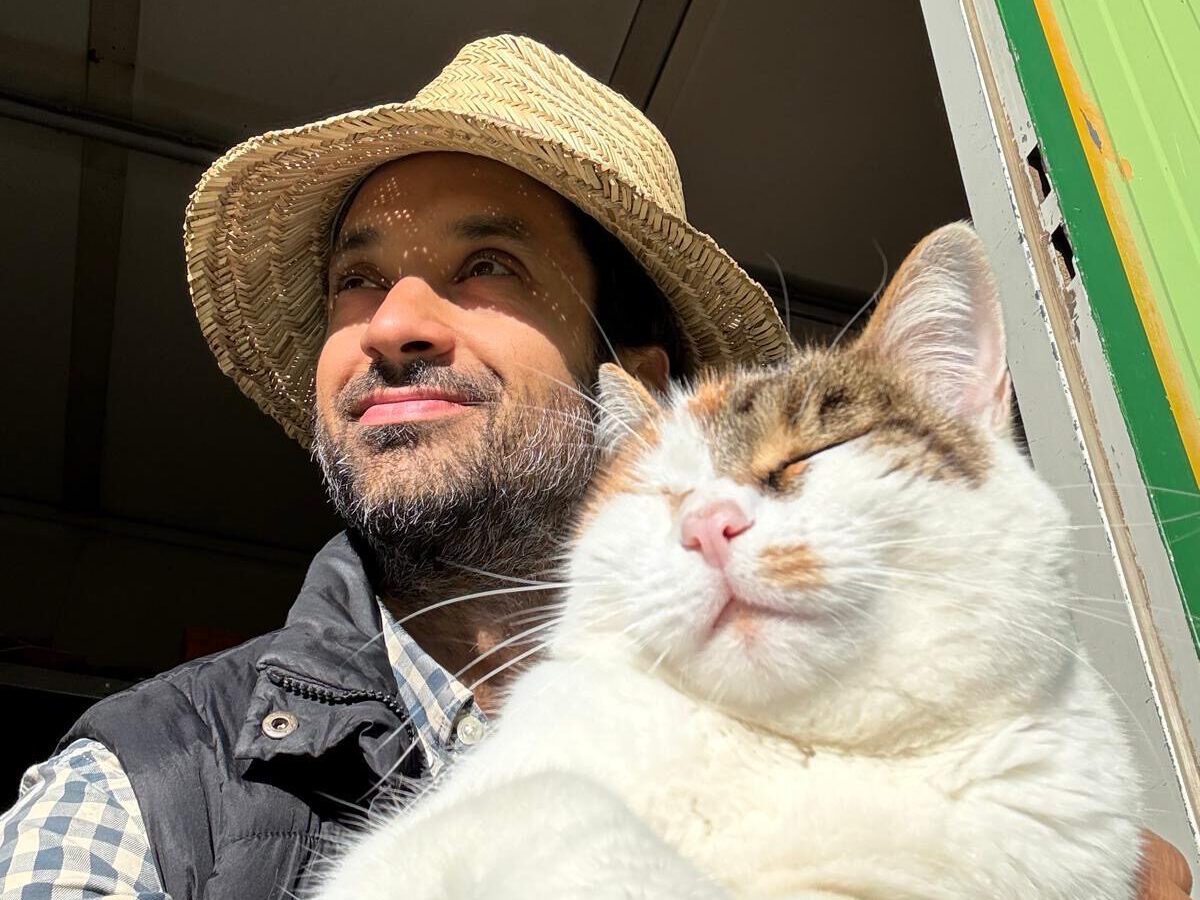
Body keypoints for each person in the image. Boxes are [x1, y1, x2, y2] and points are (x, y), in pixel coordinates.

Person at [0, 34, 1189, 900]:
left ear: (631, 388)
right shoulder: (138, 788)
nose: (392, 322)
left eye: (488, 266)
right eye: (356, 281)